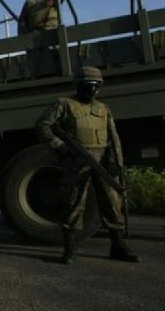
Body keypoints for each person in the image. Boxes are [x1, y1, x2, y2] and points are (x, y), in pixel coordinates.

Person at [35, 66, 140, 265]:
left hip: (102, 159)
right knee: (74, 203)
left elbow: (113, 137)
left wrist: (115, 162)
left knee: (112, 203)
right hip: (76, 159)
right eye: (87, 85)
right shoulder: (64, 104)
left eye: (95, 86)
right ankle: (71, 249)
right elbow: (43, 126)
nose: (91, 90)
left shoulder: (103, 108)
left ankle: (118, 246)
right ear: (78, 85)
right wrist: (61, 148)